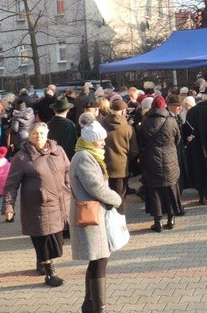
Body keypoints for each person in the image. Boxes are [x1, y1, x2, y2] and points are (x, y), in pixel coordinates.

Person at [3, 122, 71, 286]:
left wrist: (70, 189)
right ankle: (49, 272)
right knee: (42, 239)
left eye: (41, 133)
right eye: (35, 133)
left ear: (47, 134)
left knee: (56, 241)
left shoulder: (58, 150)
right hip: (38, 205)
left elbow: (68, 171)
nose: (38, 136)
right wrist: (9, 206)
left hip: (60, 202)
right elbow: (11, 184)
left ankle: (43, 261)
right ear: (30, 136)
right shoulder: (21, 157)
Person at [69, 119, 122, 313]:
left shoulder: (88, 155)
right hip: (90, 215)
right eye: (100, 140)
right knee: (99, 259)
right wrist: (116, 199)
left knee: (96, 260)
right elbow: (95, 187)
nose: (103, 143)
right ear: (91, 140)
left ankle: (89, 304)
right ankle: (99, 308)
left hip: (93, 213)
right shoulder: (84, 157)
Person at [137, 97, 182, 230]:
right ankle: (171, 219)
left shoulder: (144, 121)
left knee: (154, 190)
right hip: (170, 159)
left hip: (151, 160)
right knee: (170, 187)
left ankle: (158, 222)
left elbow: (140, 140)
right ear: (164, 107)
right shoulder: (171, 120)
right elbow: (178, 139)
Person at [102, 99, 138, 215]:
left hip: (103, 167)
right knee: (120, 198)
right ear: (123, 112)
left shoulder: (101, 125)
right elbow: (134, 151)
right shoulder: (128, 128)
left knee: (106, 198)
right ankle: (119, 223)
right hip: (121, 168)